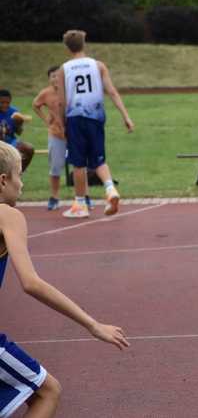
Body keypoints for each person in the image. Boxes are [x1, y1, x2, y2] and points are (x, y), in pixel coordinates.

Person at [0, 141, 129, 418]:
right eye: (19, 175)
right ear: (3, 181)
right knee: (48, 391)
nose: (22, 184)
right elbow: (31, 282)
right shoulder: (8, 216)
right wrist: (92, 324)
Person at [55, 30, 134, 218]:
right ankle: (110, 189)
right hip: (96, 118)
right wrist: (126, 116)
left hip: (75, 118)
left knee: (78, 163)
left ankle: (80, 205)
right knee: (99, 159)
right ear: (84, 44)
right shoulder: (98, 66)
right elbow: (112, 92)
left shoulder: (63, 70)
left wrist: (62, 123)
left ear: (67, 48)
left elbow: (61, 101)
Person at [32, 66, 93, 211]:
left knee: (79, 166)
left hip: (75, 133)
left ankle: (85, 197)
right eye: (52, 76)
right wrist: (46, 119)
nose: (55, 79)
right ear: (49, 79)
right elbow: (35, 105)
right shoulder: (45, 93)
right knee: (55, 167)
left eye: (58, 76)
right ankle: (54, 198)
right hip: (56, 135)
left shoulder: (71, 91)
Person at [0, 90, 35, 172]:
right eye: (2, 102)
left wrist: (19, 124)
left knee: (28, 148)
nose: (5, 105)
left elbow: (19, 132)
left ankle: (18, 174)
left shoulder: (14, 111)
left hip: (10, 142)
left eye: (7, 103)